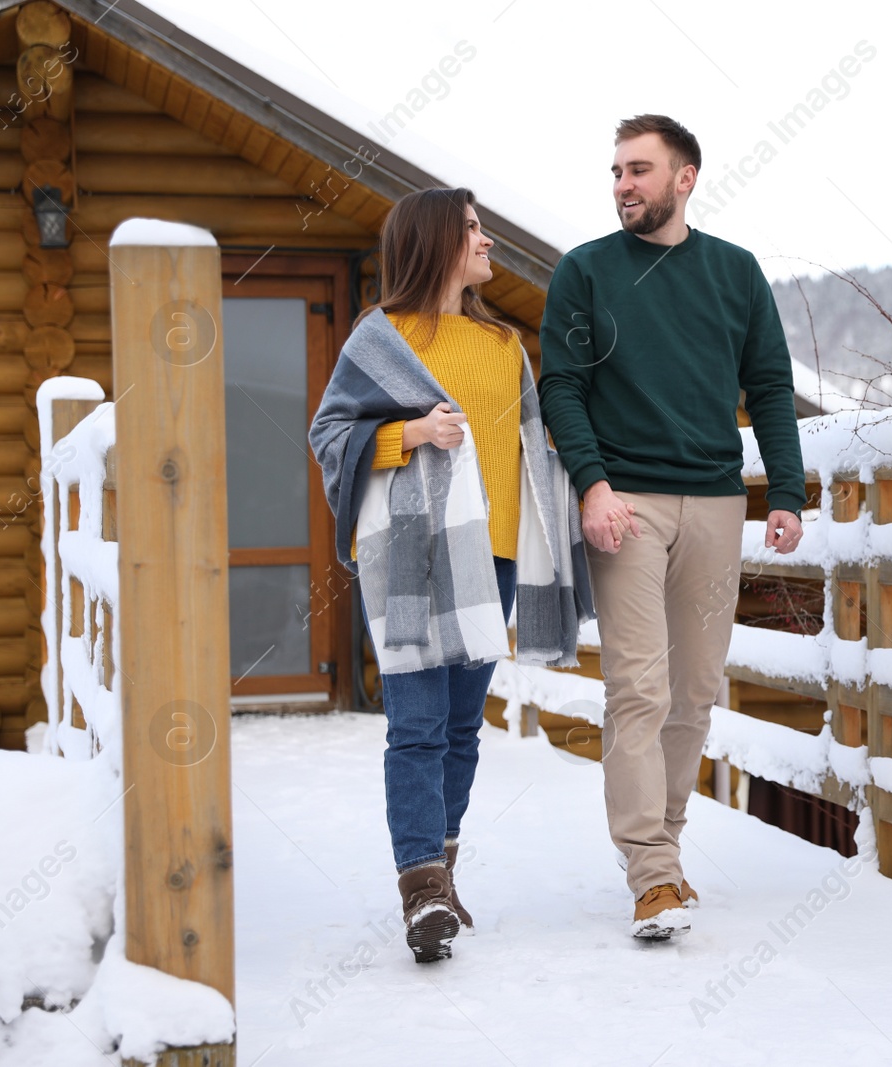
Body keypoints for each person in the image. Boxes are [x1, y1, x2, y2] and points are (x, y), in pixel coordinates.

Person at [539, 115, 806, 940]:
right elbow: (562, 388)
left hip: (718, 501)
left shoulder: (734, 272)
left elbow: (768, 385)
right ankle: (650, 874)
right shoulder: (584, 271)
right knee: (639, 688)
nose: (623, 184)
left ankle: (668, 849)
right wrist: (593, 484)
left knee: (694, 693)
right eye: (617, 170)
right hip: (627, 504)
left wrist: (787, 492)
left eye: (639, 170)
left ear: (685, 177)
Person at [310, 188, 589, 963]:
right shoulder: (380, 337)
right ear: (436, 241)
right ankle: (422, 886)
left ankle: (443, 864)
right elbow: (330, 431)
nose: (487, 240)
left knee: (464, 725)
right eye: (471, 229)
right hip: (410, 555)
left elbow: (535, 446)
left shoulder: (504, 345)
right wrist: (408, 433)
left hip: (494, 555)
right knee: (418, 721)